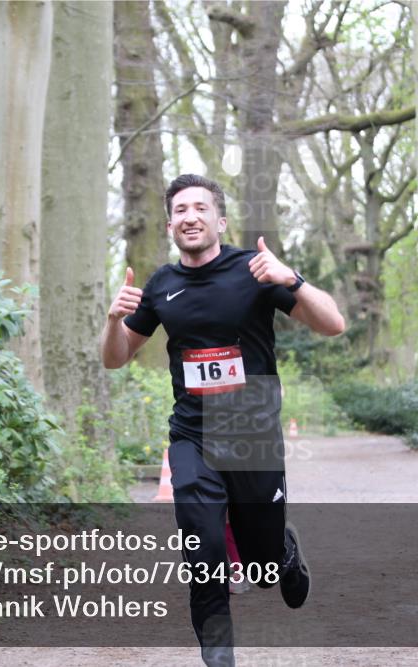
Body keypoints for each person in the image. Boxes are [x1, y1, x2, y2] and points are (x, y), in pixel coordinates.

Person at [100, 174, 345, 666]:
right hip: (192, 432)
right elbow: (116, 357)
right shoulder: (161, 286)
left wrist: (291, 279)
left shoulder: (254, 271)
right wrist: (112, 321)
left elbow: (333, 324)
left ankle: (284, 554)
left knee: (262, 563)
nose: (190, 216)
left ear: (219, 219)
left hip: (250, 427)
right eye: (181, 210)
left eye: (201, 208)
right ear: (170, 224)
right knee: (203, 550)